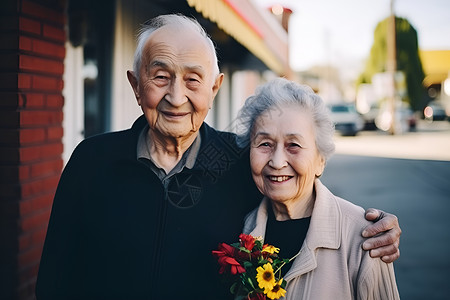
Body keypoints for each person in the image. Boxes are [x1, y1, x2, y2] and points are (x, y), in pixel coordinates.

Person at [36, 14, 401, 299]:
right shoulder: (91, 162)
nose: (176, 97)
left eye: (193, 80)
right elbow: (53, 283)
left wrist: (370, 228)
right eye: (160, 76)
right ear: (135, 85)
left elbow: (302, 198)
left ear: (215, 87)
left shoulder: (242, 163)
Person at [237, 78, 400, 299]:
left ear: (320, 160)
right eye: (264, 144)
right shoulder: (241, 229)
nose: (276, 162)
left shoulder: (365, 239)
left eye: (293, 145)